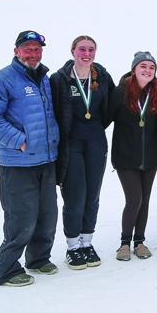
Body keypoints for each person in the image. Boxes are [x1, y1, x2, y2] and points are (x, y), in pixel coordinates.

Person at [0, 30, 60, 287]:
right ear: (16, 51)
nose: (33, 54)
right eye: (27, 49)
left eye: (37, 49)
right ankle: (5, 270)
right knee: (21, 218)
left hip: (46, 160)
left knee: (47, 216)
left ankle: (38, 258)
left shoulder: (44, 78)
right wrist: (19, 141)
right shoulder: (2, 79)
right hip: (18, 163)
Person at [50, 36, 115, 270]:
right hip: (71, 144)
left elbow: (111, 108)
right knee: (75, 195)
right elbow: (52, 111)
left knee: (92, 195)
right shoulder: (59, 79)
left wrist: (95, 128)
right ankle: (72, 246)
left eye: (91, 50)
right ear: (73, 51)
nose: (86, 54)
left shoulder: (102, 76)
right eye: (82, 49)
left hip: (96, 141)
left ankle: (87, 242)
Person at [109, 52, 157, 261]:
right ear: (134, 69)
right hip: (125, 157)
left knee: (145, 200)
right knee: (134, 199)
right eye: (143, 66)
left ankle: (139, 242)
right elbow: (104, 117)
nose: (147, 70)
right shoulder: (121, 92)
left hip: (150, 157)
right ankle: (124, 243)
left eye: (151, 67)